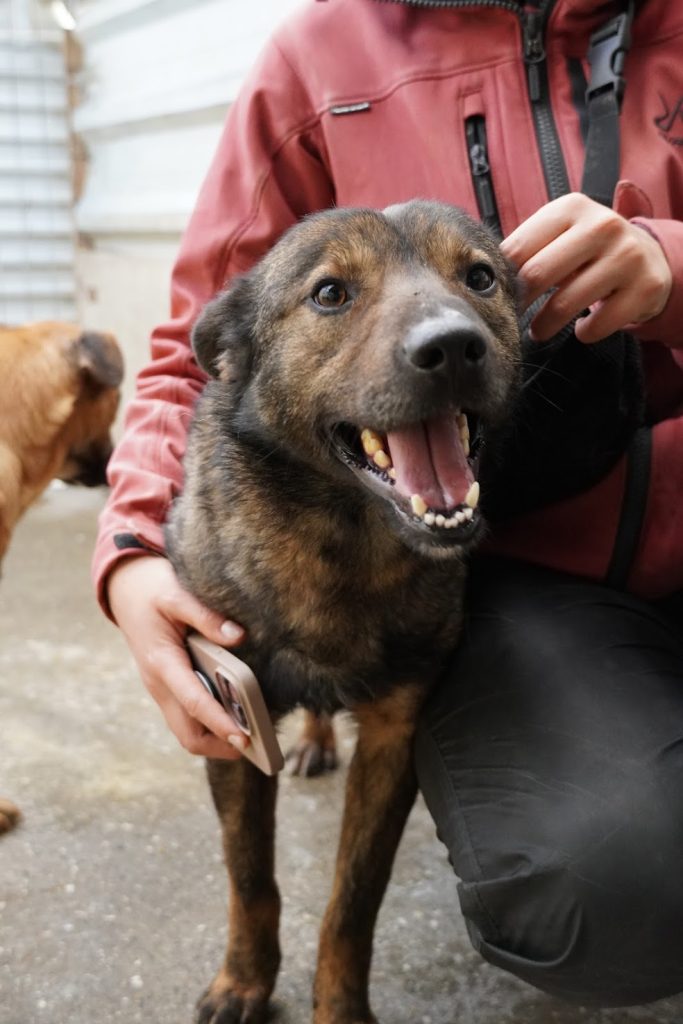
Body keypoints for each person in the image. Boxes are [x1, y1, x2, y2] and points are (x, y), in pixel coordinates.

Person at [94, 0, 683, 1008]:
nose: (445, 326)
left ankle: (338, 966)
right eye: (336, 292)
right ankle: (262, 938)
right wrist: (132, 549)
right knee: (606, 888)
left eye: (476, 284)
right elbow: (192, 339)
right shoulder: (319, 57)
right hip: (533, 583)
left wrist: (675, 263)